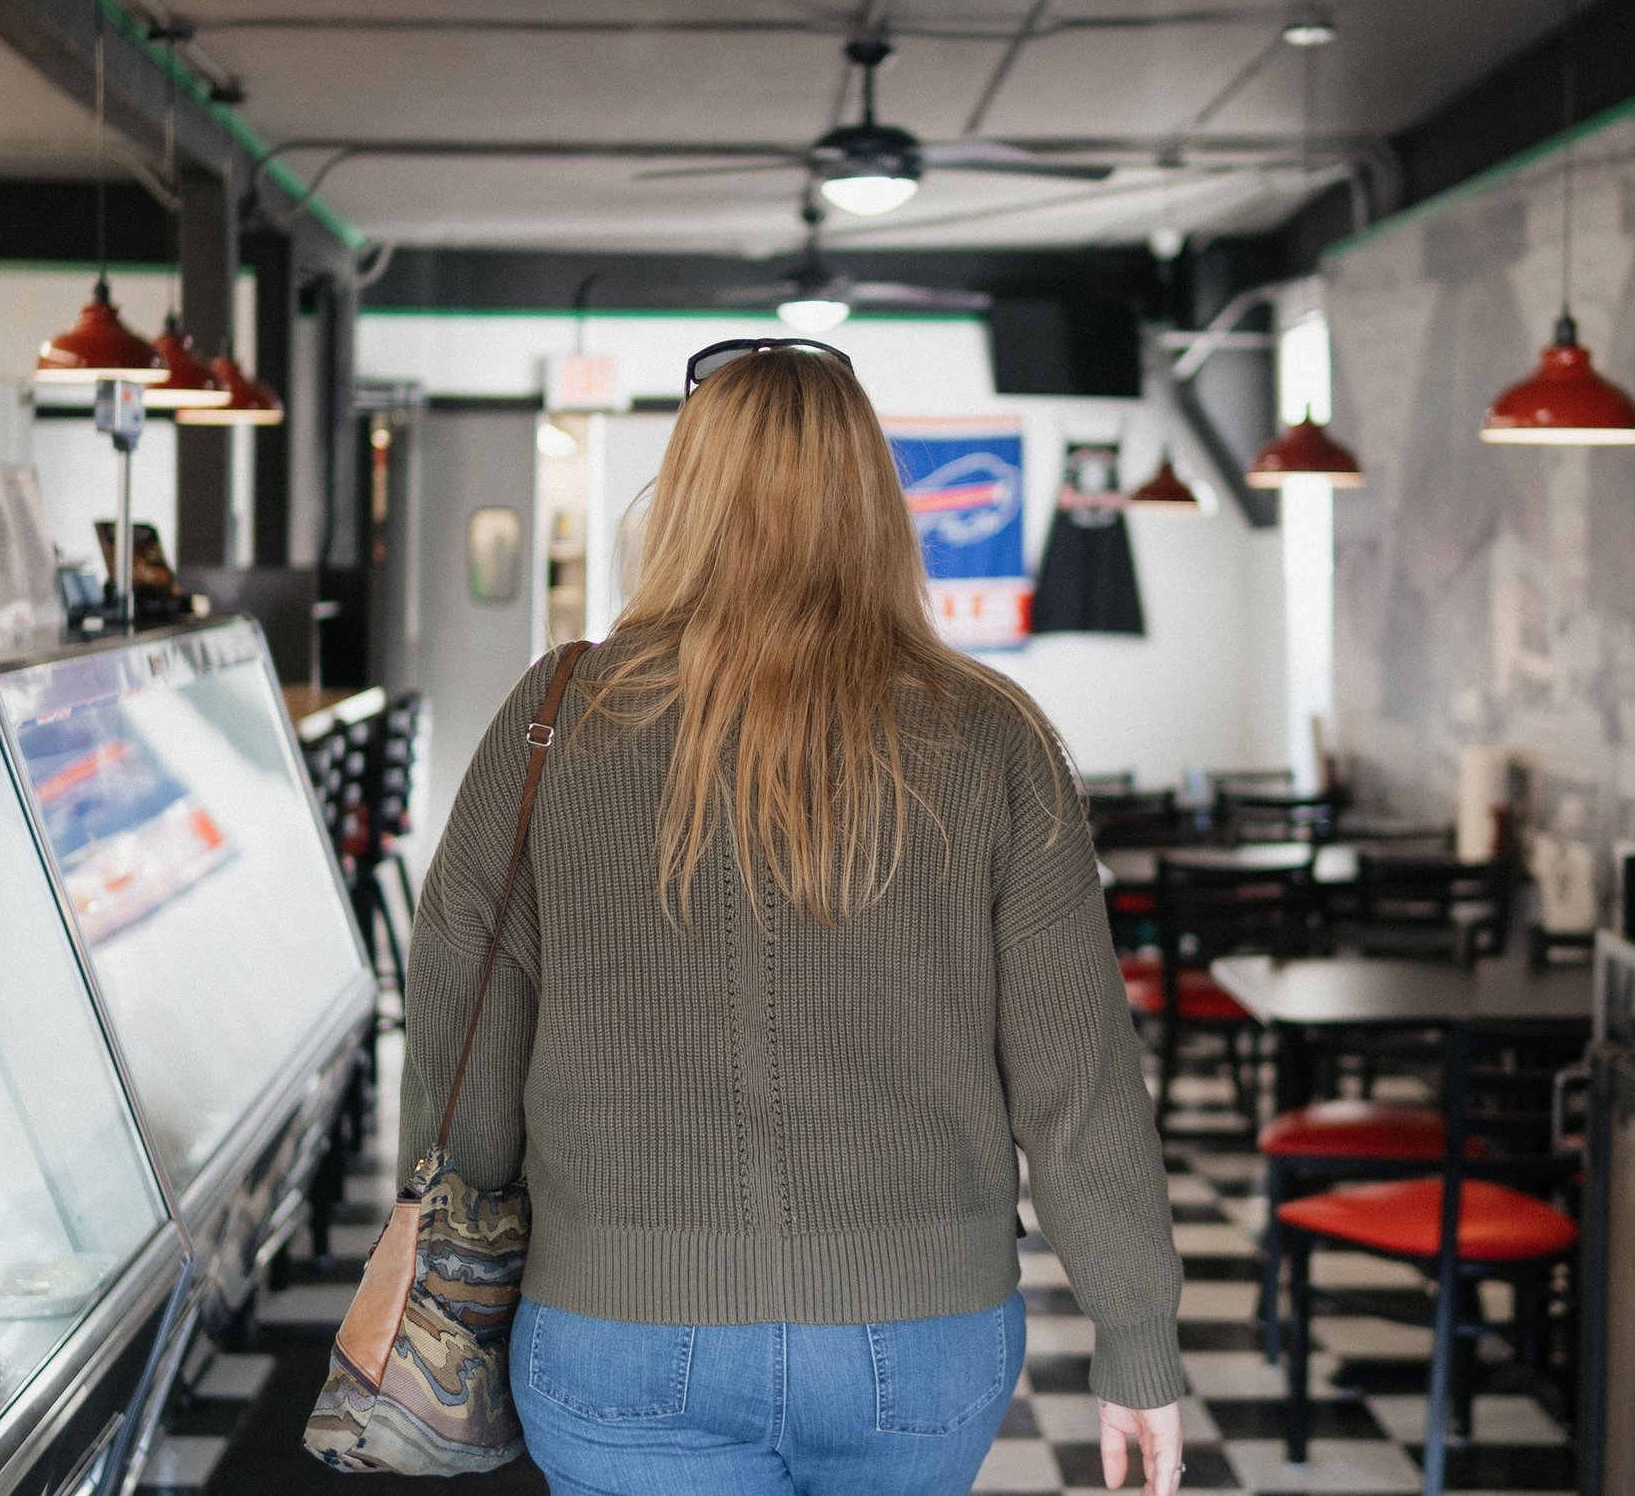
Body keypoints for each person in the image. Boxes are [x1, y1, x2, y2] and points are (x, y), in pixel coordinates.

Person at [401, 338, 1184, 1496]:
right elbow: (1080, 1076)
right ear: (876, 501)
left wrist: (452, 1260)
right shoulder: (989, 733)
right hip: (917, 1337)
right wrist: (1134, 1335)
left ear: (683, 497)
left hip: (617, 1322)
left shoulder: (556, 715)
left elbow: (464, 1013)